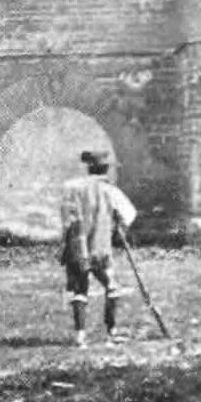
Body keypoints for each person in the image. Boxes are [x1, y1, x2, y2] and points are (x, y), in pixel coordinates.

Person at [59, 149, 136, 347]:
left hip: (77, 246)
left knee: (80, 290)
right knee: (112, 287)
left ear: (88, 168)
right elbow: (129, 214)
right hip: (100, 248)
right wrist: (118, 227)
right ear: (106, 168)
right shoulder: (110, 190)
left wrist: (68, 240)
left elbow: (66, 218)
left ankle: (80, 336)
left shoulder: (72, 188)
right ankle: (111, 332)